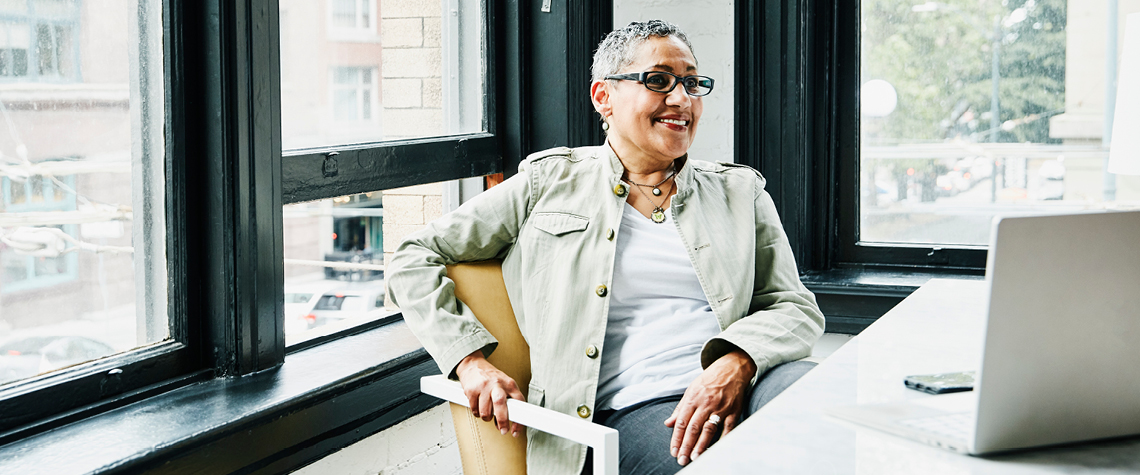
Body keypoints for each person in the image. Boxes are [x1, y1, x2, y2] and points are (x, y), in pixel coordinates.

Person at [387, 19, 824, 475]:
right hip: (634, 413)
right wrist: (470, 363)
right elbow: (414, 255)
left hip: (749, 383)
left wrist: (736, 361)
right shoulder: (548, 183)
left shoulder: (739, 192)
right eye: (658, 81)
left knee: (834, 412)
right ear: (604, 97)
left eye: (692, 84)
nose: (681, 100)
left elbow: (793, 306)